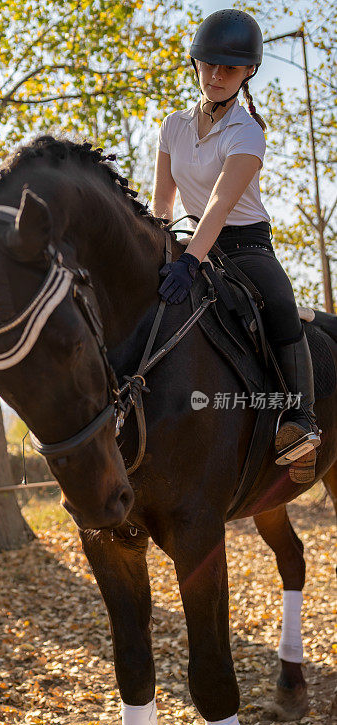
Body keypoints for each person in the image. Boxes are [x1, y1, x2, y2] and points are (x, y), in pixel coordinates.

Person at [151, 8, 321, 485]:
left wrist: (190, 261)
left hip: (245, 244)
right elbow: (163, 200)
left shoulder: (247, 131)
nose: (218, 75)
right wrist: (161, 247)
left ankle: (302, 420)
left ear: (249, 72)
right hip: (187, 239)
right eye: (210, 64)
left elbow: (221, 206)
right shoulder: (172, 127)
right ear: (196, 64)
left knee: (282, 306)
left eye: (230, 67)